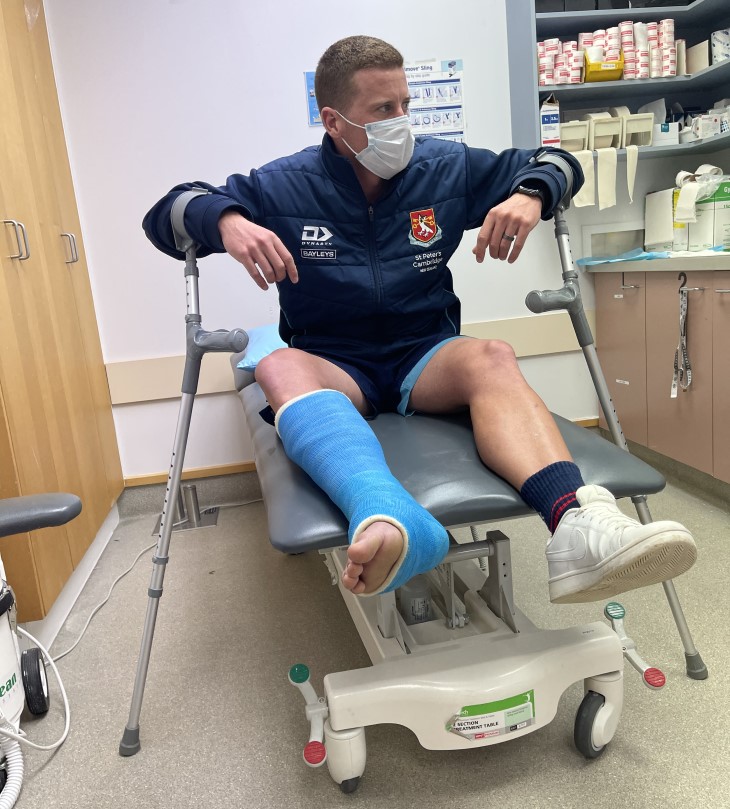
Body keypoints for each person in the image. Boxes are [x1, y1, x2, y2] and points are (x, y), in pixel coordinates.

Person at [144, 35, 696, 604]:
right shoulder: (283, 185)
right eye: (383, 110)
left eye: (406, 106)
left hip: (423, 354)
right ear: (333, 121)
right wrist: (228, 220)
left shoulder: (444, 167)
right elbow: (168, 212)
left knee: (492, 354)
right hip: (335, 361)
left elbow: (560, 162)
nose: (400, 122)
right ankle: (385, 515)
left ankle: (577, 529)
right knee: (278, 365)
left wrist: (532, 193)